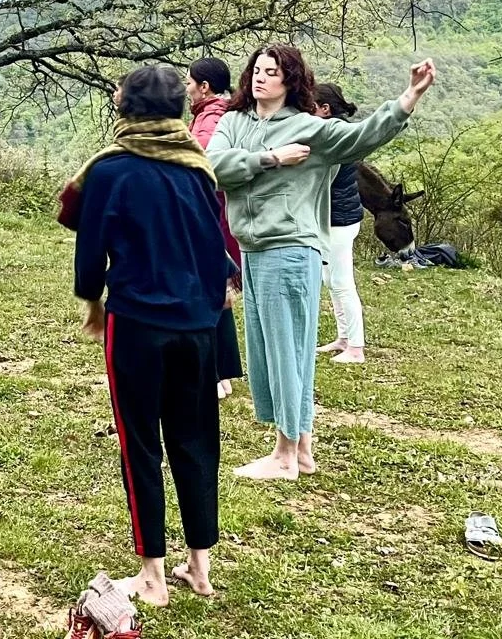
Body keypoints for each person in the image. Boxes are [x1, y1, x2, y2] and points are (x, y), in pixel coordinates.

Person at [205, 46, 435, 481]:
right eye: (257, 70)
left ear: (290, 81)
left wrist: (409, 96)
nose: (261, 79)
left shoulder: (311, 129)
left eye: (272, 73)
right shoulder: (234, 122)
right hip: (252, 251)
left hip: (290, 251)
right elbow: (212, 166)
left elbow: (365, 136)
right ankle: (302, 451)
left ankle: (286, 456)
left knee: (288, 351)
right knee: (270, 352)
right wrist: (270, 159)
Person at [64, 65, 233, 606]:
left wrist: (92, 302)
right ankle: (200, 568)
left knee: (140, 445)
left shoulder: (111, 170)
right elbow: (216, 244)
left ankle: (153, 578)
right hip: (198, 324)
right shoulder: (195, 167)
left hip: (137, 322)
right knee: (197, 439)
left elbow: (89, 247)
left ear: (126, 105)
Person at [185, 58, 245, 401]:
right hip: (218, 217)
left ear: (204, 87)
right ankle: (220, 370)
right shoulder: (219, 114)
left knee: (212, 294)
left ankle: (218, 373)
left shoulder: (210, 120)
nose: (187, 88)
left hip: (212, 219)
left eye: (189, 82)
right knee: (215, 293)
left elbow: (203, 169)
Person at [313, 83, 367, 364]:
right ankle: (343, 337)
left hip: (340, 219)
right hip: (337, 217)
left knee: (343, 281)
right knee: (331, 279)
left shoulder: (336, 137)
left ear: (325, 109)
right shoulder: (337, 133)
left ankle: (356, 347)